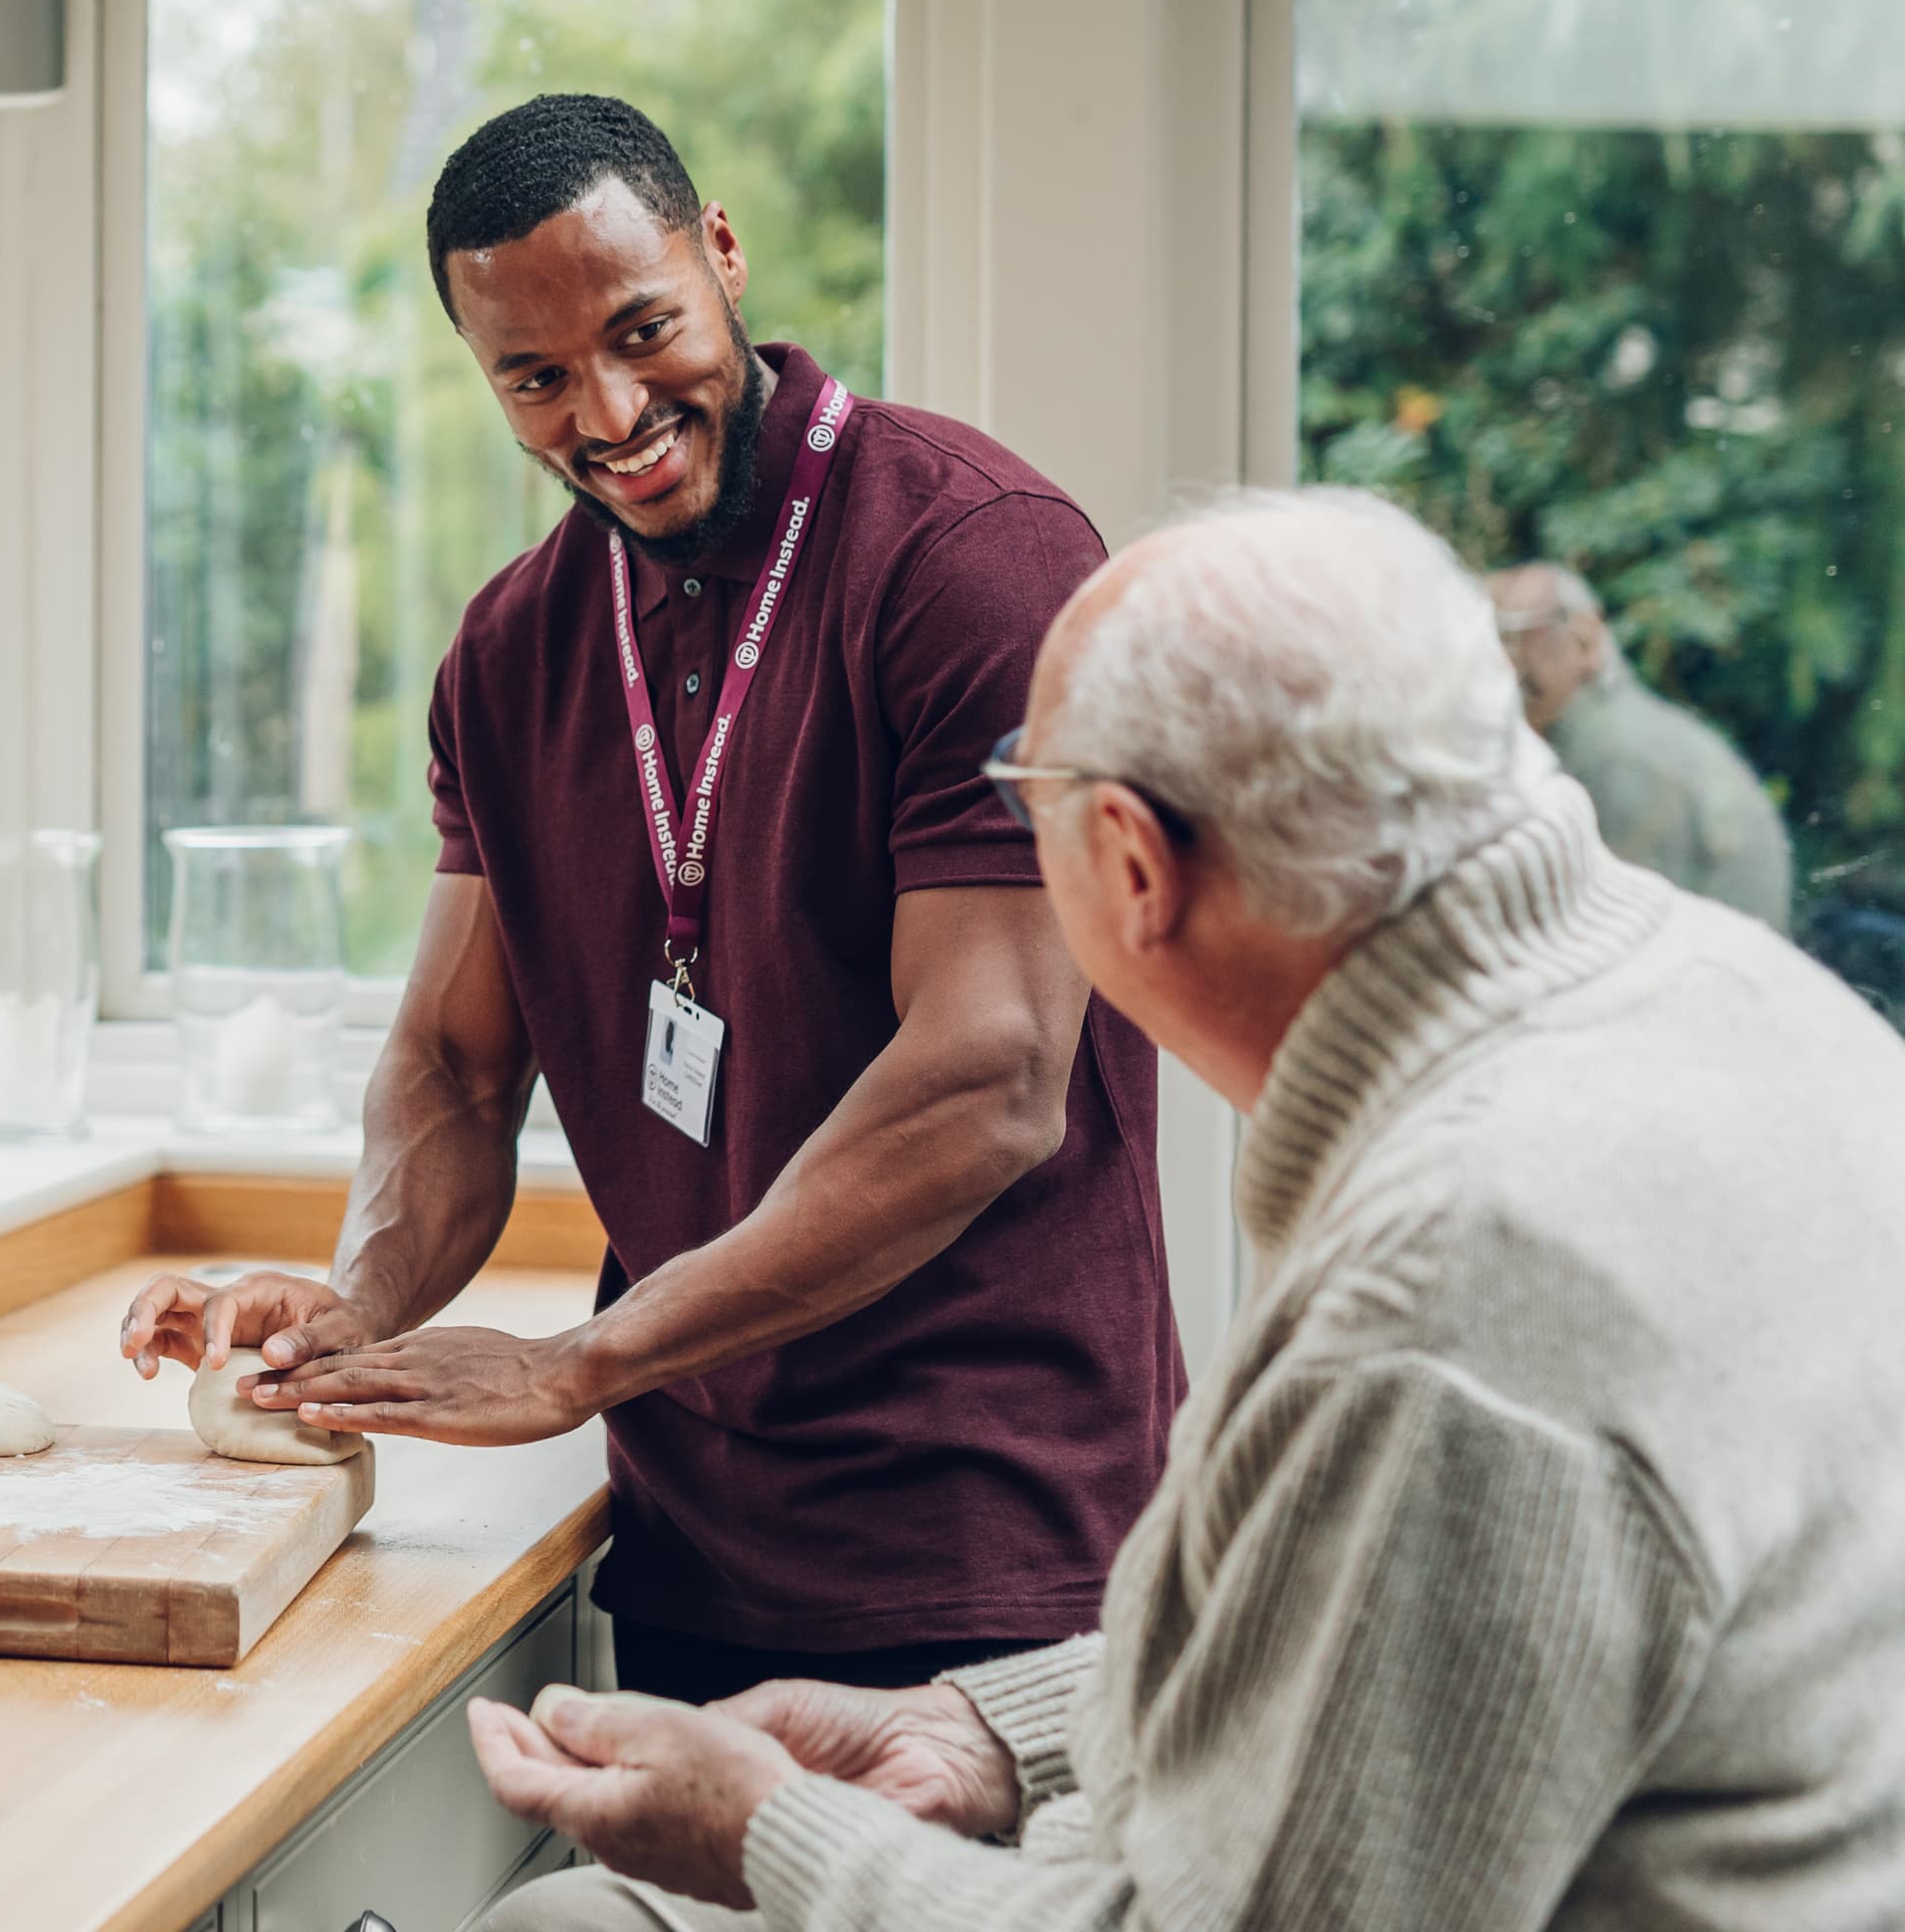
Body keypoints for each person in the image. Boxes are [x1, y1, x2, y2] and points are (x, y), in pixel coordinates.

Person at [464, 489, 1905, 1931]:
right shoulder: (1748, 1003)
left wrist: (770, 1832)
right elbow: (1394, 1638)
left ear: (1133, 867)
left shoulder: (1462, 1291)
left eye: (1028, 792)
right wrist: (989, 1728)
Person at [118, 93, 1182, 1704]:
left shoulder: (974, 558)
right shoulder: (504, 656)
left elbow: (994, 1079)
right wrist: (356, 1311)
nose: (608, 410)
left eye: (643, 330)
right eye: (534, 378)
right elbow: (461, 1069)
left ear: (726, 257)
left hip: (997, 1556)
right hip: (694, 1547)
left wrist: (575, 1363)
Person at [1488, 559, 1794, 929]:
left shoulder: (1614, 750)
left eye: (1516, 634)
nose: (1504, 659)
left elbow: (1627, 926)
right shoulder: (1604, 736)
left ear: (1585, 637)